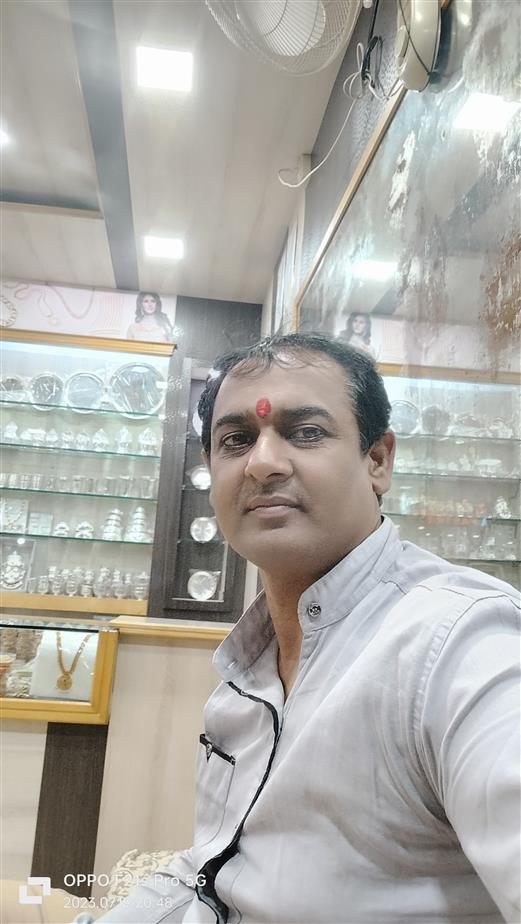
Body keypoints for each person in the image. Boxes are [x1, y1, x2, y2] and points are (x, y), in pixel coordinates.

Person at [78, 332, 520, 924]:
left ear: (377, 460)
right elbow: (210, 871)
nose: (262, 462)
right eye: (235, 440)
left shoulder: (460, 644)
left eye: (306, 432)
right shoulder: (250, 663)